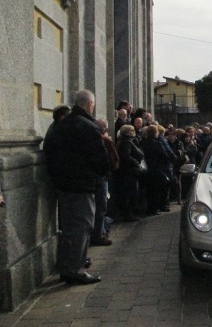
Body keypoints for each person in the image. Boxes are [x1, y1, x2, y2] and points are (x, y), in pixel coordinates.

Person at [44, 90, 108, 285]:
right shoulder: (88, 127)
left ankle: (67, 267)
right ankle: (75, 270)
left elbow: (50, 151)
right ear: (89, 105)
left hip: (64, 184)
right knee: (82, 227)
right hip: (81, 185)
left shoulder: (61, 125)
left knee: (70, 228)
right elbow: (100, 160)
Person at [90, 118, 119, 246]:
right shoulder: (105, 141)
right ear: (104, 129)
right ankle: (99, 234)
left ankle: (98, 232)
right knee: (101, 207)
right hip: (101, 178)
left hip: (91, 177)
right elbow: (113, 160)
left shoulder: (90, 139)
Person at [115, 125, 145, 221]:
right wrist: (136, 163)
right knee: (130, 193)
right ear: (127, 132)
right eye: (131, 130)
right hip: (128, 172)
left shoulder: (127, 141)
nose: (134, 132)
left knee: (130, 193)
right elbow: (126, 156)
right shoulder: (126, 142)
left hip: (128, 172)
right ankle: (128, 214)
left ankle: (129, 213)